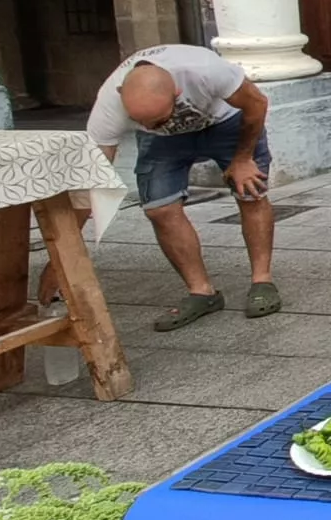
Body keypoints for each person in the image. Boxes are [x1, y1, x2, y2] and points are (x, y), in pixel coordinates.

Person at [70, 44, 280, 330]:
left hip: (226, 122)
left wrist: (243, 158)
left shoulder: (204, 70)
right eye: (141, 122)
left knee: (251, 192)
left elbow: (257, 103)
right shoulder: (109, 103)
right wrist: (66, 249)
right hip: (166, 144)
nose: (152, 125)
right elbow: (93, 175)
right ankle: (202, 292)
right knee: (159, 208)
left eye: (159, 119)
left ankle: (262, 281)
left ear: (177, 93)